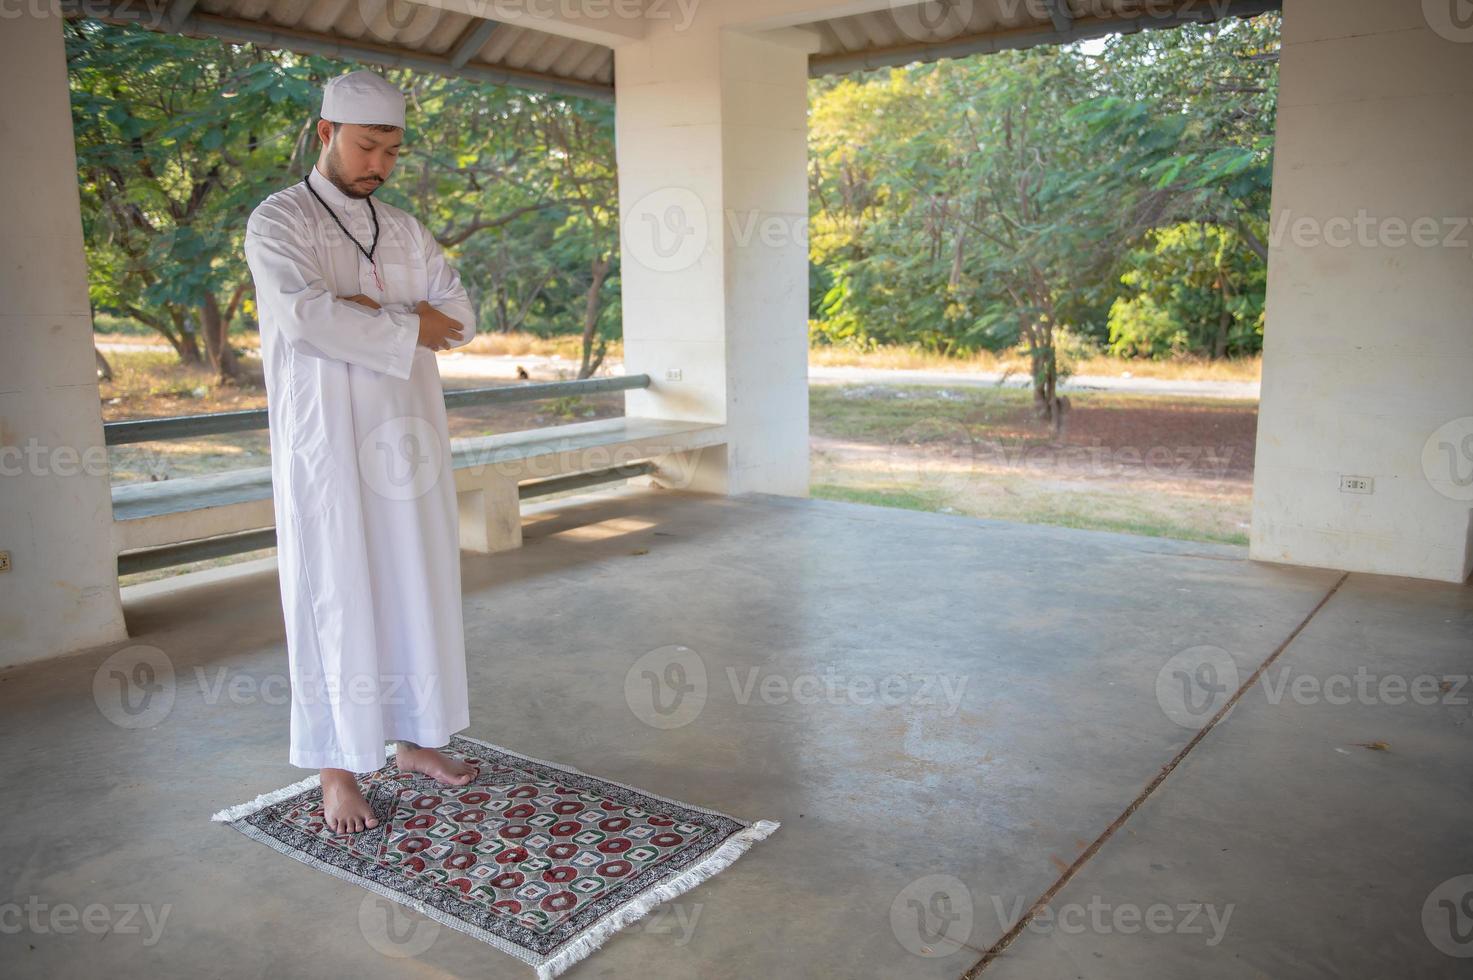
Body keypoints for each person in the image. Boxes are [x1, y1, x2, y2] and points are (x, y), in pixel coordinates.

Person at [244, 70, 478, 835]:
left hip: (407, 436)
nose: (379, 161)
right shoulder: (276, 222)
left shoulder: (405, 229)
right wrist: (409, 322)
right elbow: (308, 320)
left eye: (392, 149)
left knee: (414, 581)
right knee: (335, 589)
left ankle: (414, 741)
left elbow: (462, 316)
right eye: (366, 144)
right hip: (328, 442)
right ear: (325, 133)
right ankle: (336, 771)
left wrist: (375, 310)